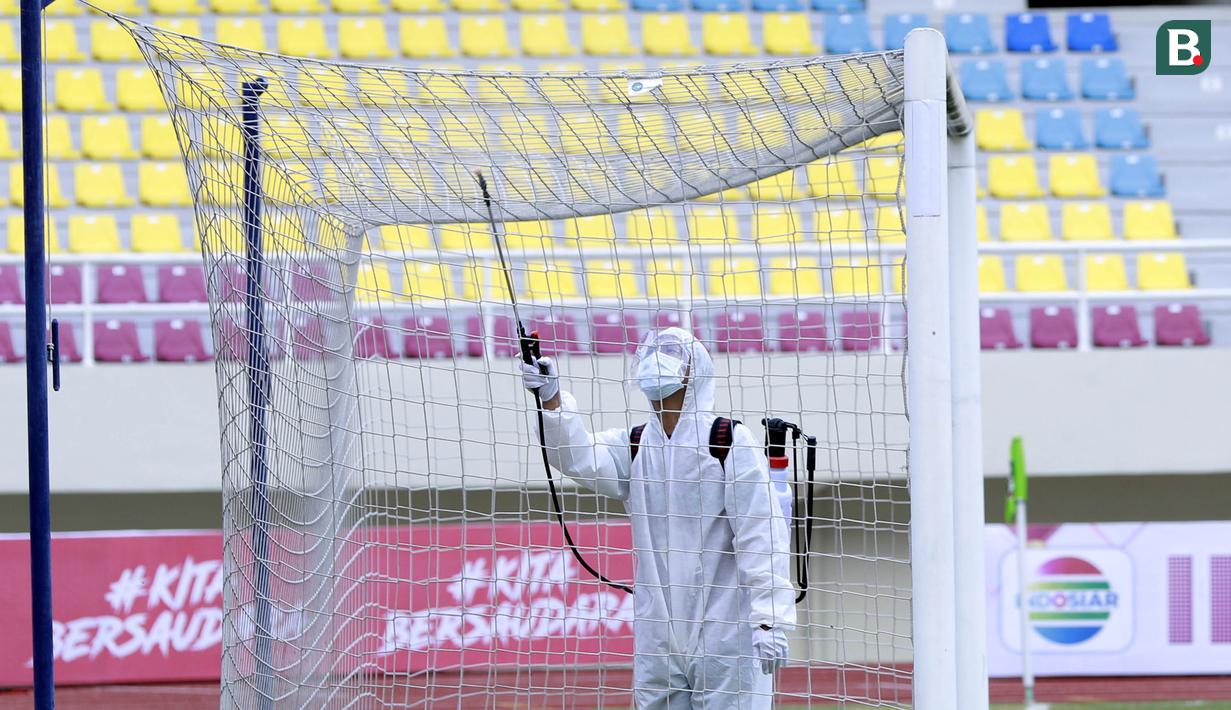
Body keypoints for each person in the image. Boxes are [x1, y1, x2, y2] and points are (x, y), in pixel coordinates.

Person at [520, 326, 795, 708]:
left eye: (672, 352)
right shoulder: (634, 445)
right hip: (658, 633)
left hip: (725, 628)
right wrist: (551, 399)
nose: (656, 359)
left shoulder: (727, 441)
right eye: (652, 351)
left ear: (695, 371)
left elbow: (760, 533)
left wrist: (770, 617)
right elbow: (578, 457)